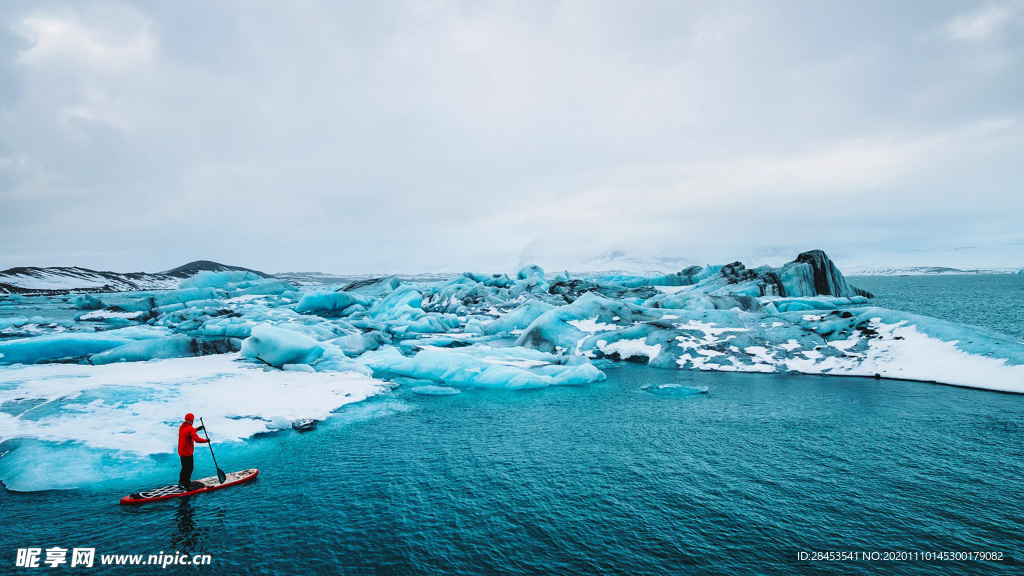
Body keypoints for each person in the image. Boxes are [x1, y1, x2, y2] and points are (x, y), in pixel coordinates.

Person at [178, 413, 209, 490]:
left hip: (181, 452)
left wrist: (197, 429)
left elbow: (188, 431)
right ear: (192, 420)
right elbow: (197, 440)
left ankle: (181, 482)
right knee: (189, 468)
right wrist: (206, 440)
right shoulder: (190, 429)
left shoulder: (182, 427)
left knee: (184, 467)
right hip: (187, 452)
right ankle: (187, 483)